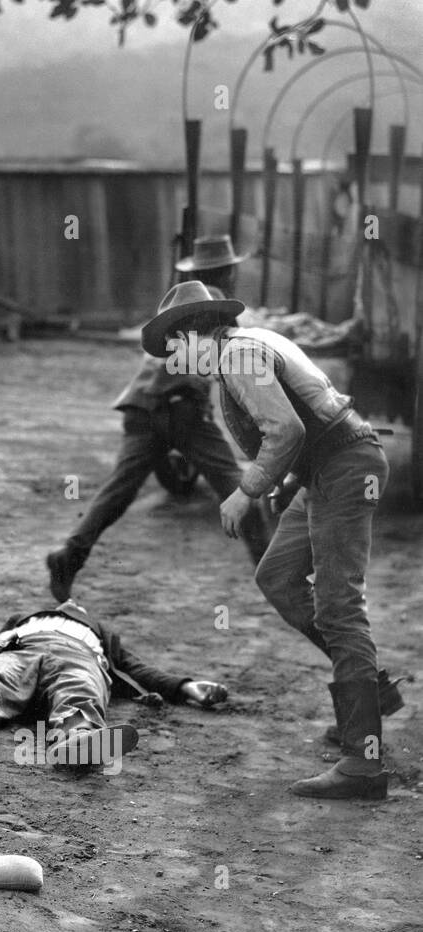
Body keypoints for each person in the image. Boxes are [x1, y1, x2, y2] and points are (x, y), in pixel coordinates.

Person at [140, 280, 395, 799]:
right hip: (326, 471)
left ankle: (363, 762)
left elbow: (287, 431)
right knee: (278, 576)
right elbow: (309, 418)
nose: (174, 358)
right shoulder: (249, 346)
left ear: (195, 331)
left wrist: (246, 491)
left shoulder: (239, 356)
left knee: (339, 607)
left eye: (175, 344)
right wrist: (290, 481)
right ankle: (366, 695)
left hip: (346, 468)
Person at [46, 236, 270, 603]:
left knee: (118, 491)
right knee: (239, 489)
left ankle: (69, 555)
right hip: (182, 410)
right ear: (229, 272)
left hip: (142, 405)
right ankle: (273, 573)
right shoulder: (212, 304)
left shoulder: (181, 298)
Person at [0, 599, 227, 768]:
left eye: (77, 605)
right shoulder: (21, 623)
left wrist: (185, 686)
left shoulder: (101, 634)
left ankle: (78, 738)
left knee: (78, 688)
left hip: (78, 657)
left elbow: (139, 670)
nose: (71, 604)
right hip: (21, 652)